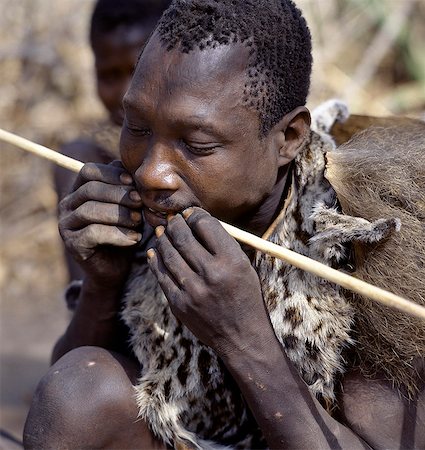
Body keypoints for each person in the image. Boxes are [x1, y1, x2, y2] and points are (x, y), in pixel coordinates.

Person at [24, 0, 425, 449]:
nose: (151, 172)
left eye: (195, 143)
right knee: (77, 393)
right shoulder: (139, 213)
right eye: (137, 127)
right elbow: (62, 396)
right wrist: (103, 285)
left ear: (288, 139)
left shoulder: (365, 239)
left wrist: (244, 337)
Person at [54, 0, 171, 282]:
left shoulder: (205, 148)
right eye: (109, 75)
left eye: (138, 70)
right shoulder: (81, 161)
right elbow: (81, 291)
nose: (125, 94)